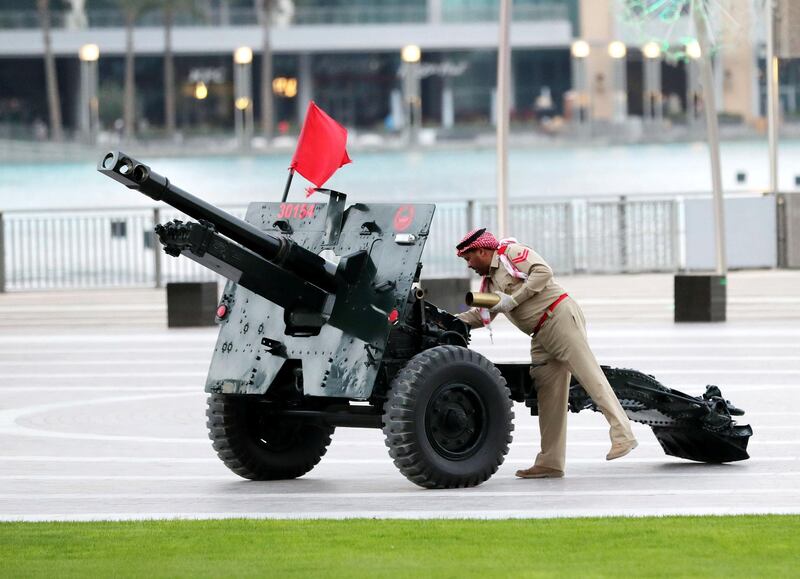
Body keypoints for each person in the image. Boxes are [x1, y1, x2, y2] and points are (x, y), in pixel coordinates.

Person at [454, 228, 638, 479]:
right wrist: (447, 321)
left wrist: (514, 300)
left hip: (558, 317)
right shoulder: (490, 281)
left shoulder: (511, 253)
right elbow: (481, 315)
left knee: (589, 375)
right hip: (540, 334)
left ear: (483, 251)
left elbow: (543, 272)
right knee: (549, 396)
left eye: (469, 258)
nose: (469, 265)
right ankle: (550, 462)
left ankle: (623, 435)